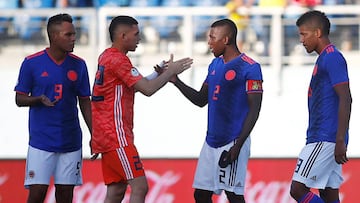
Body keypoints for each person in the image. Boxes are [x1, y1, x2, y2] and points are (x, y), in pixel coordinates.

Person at [90, 15, 193, 203]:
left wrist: (157, 73)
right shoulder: (118, 61)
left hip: (107, 134)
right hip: (116, 135)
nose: (139, 38)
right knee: (140, 186)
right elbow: (147, 89)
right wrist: (171, 71)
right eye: (136, 34)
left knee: (117, 190)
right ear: (123, 36)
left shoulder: (107, 56)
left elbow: (126, 88)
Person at [172, 19, 263, 203]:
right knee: (201, 194)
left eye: (213, 38)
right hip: (211, 141)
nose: (209, 42)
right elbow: (200, 100)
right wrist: (176, 81)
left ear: (226, 39)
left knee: (233, 195)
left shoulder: (250, 67)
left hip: (233, 140)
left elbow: (255, 110)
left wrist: (238, 145)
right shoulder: (215, 65)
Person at [14, 13, 92, 203]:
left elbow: (84, 101)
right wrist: (38, 99)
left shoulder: (79, 65)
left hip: (71, 141)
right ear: (54, 36)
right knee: (37, 194)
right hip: (41, 142)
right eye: (68, 34)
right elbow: (19, 99)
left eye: (74, 34)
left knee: (65, 196)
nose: (74, 38)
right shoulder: (31, 63)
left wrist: (94, 134)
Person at [290, 10, 352, 203]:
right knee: (328, 193)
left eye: (303, 34)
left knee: (298, 189)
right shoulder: (324, 58)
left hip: (325, 138)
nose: (301, 40)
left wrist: (340, 139)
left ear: (317, 33)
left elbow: (346, 98)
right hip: (327, 137)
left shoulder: (332, 57)